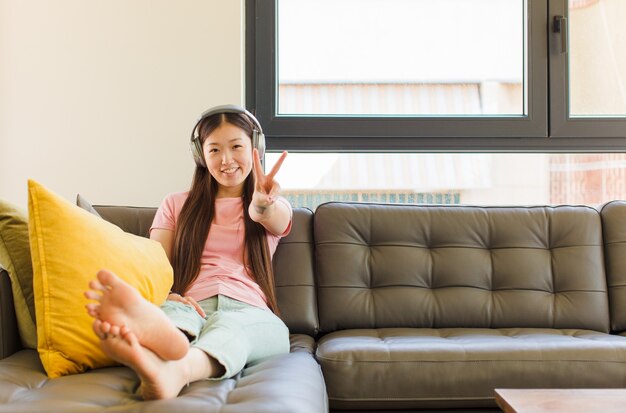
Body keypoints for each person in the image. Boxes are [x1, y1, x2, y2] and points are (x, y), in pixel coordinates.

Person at [84, 105, 292, 400]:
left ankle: (175, 367)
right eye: (215, 150)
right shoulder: (175, 204)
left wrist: (262, 203)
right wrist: (165, 294)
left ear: (255, 148)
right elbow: (158, 263)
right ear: (201, 156)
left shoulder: (271, 203)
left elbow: (270, 215)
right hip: (191, 303)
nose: (227, 159)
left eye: (236, 147)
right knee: (174, 315)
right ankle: (162, 336)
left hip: (250, 309)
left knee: (234, 328)